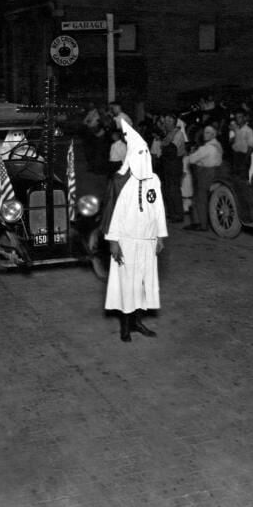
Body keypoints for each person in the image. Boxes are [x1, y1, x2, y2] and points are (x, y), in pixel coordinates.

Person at [100, 119, 167, 342]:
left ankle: (138, 321)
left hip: (147, 240)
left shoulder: (153, 181)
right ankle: (125, 326)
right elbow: (114, 213)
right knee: (126, 283)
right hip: (127, 240)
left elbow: (158, 208)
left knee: (142, 282)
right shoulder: (122, 182)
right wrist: (113, 241)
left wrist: (159, 235)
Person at [183, 124, 223, 231]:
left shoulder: (206, 148)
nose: (206, 135)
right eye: (205, 132)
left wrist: (194, 155)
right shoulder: (218, 145)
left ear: (213, 134)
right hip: (215, 172)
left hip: (205, 174)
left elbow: (191, 159)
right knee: (206, 199)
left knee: (201, 200)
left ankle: (202, 224)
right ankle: (205, 223)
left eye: (209, 133)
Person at [159, 114, 186, 222]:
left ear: (173, 122)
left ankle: (178, 215)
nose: (165, 123)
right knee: (168, 189)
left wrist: (165, 147)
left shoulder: (178, 134)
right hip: (168, 164)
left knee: (174, 189)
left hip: (174, 164)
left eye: (167, 121)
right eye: (165, 121)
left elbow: (172, 150)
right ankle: (172, 213)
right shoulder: (170, 134)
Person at [229, 110, 253, 179]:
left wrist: (245, 160)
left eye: (240, 117)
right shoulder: (236, 129)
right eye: (237, 117)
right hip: (235, 155)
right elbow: (231, 141)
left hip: (244, 156)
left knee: (243, 177)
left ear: (244, 118)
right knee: (235, 177)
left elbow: (251, 147)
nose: (238, 119)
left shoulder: (249, 130)